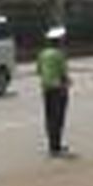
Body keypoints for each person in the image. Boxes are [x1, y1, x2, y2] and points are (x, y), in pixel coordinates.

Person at [36, 26, 71, 156]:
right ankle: (56, 146)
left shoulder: (43, 54)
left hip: (46, 88)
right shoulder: (59, 55)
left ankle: (52, 145)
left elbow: (39, 71)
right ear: (59, 42)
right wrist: (67, 83)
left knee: (49, 117)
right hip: (58, 89)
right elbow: (63, 73)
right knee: (58, 118)